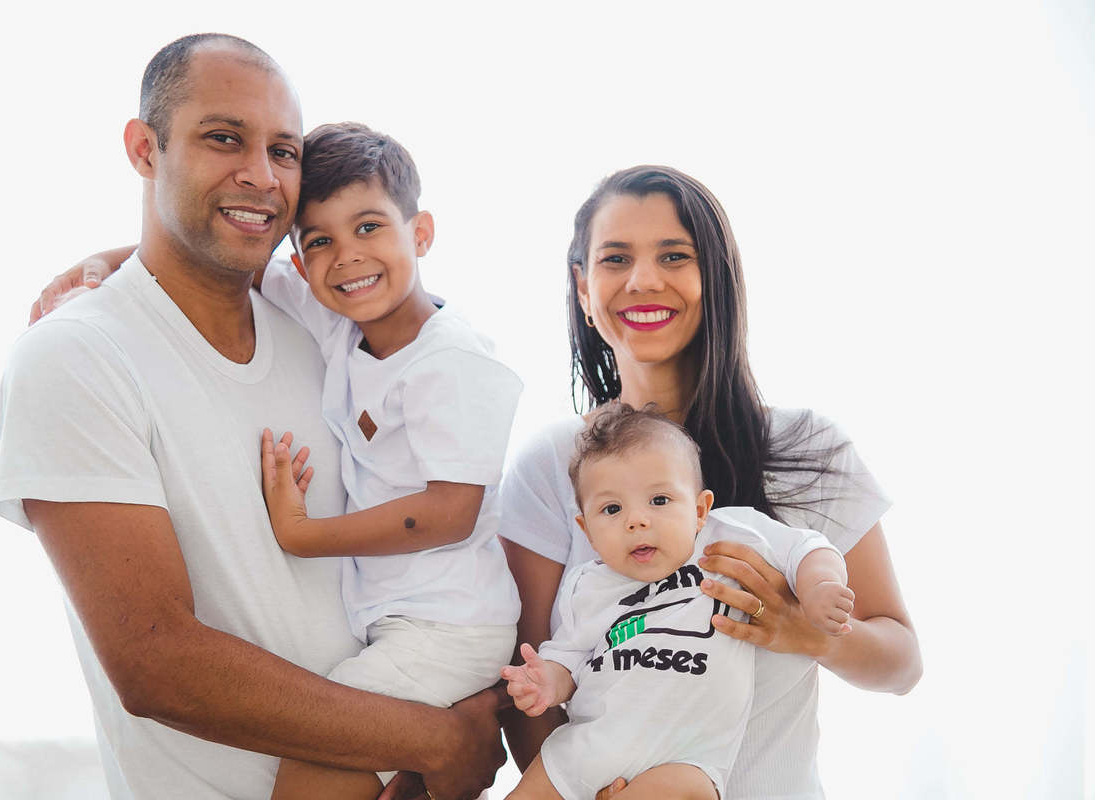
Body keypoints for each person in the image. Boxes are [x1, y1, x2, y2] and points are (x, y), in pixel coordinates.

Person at [0, 33, 504, 800]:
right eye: (224, 138)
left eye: (284, 151)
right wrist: (436, 741)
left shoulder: (322, 329)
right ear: (144, 149)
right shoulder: (76, 355)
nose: (262, 176)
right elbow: (155, 660)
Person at [498, 166, 922, 798]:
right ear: (584, 289)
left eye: (674, 255)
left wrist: (807, 632)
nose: (644, 280)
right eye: (616, 259)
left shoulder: (809, 446)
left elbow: (902, 664)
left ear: (717, 279)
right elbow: (527, 677)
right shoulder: (550, 463)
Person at [256, 122, 522, 798]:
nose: (347, 257)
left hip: (449, 627)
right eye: (320, 241)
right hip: (399, 622)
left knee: (309, 771)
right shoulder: (341, 324)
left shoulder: (451, 360)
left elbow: (450, 512)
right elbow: (234, 259)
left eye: (369, 227)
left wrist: (302, 535)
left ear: (421, 233)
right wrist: (100, 266)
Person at [501, 403, 850, 800]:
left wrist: (820, 585)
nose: (637, 520)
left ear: (700, 510)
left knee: (688, 791)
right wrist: (547, 682)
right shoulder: (588, 586)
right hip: (586, 749)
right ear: (587, 530)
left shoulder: (730, 536)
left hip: (683, 761)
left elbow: (808, 548)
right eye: (612, 509)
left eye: (660, 500)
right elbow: (569, 659)